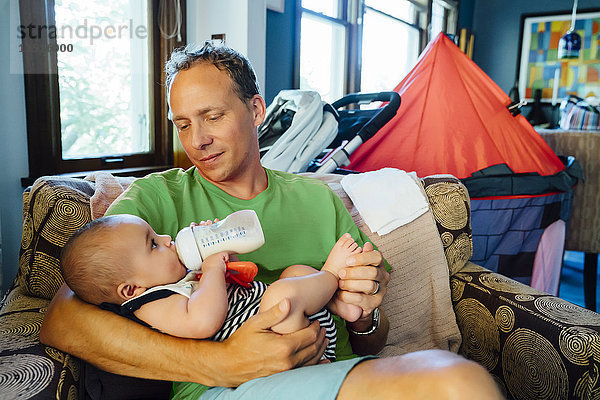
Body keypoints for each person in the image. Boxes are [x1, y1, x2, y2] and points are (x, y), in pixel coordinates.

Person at [41, 41, 503, 399]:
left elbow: (371, 340)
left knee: (457, 381)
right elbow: (62, 318)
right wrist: (221, 362)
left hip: (333, 375)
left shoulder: (317, 201)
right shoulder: (156, 201)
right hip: (226, 391)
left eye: (212, 116)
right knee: (457, 384)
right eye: (183, 124)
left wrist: (364, 314)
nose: (197, 140)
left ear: (256, 111)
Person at [60, 213, 366, 361]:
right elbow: (204, 321)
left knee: (294, 273)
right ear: (131, 290)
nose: (167, 240)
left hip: (292, 320)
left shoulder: (175, 278)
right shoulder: (153, 303)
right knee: (282, 294)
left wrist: (219, 252)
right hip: (282, 339)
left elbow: (234, 287)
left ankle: (338, 304)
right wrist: (211, 271)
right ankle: (331, 274)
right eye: (154, 245)